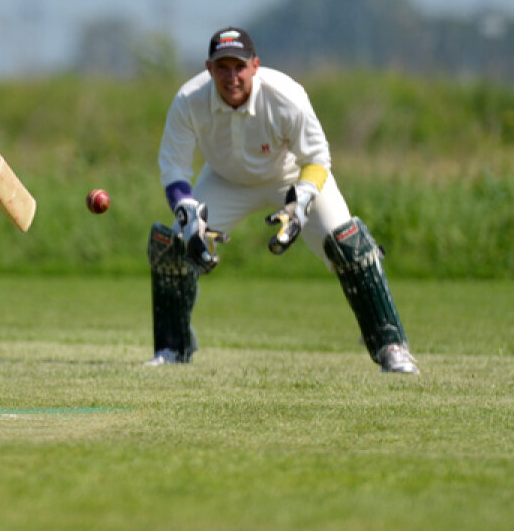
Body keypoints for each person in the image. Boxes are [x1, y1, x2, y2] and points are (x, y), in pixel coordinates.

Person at [145, 26, 419, 374]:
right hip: (225, 180)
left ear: (255, 66)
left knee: (348, 243)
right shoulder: (188, 99)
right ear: (209, 68)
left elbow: (317, 159)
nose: (232, 77)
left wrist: (300, 201)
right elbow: (174, 168)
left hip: (291, 177)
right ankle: (172, 349)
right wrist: (186, 211)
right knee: (176, 248)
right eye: (222, 67)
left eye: (239, 67)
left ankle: (391, 347)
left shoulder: (285, 95)